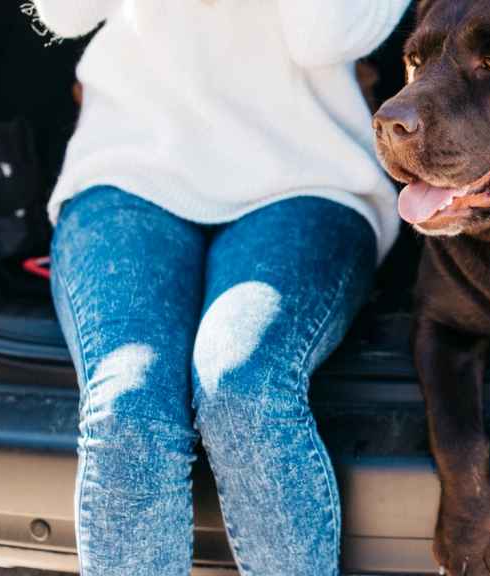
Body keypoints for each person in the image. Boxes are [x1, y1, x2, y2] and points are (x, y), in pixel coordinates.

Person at [31, 1, 410, 574]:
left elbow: (317, 36)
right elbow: (64, 14)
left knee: (242, 384)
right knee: (128, 401)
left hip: (306, 176)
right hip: (128, 167)